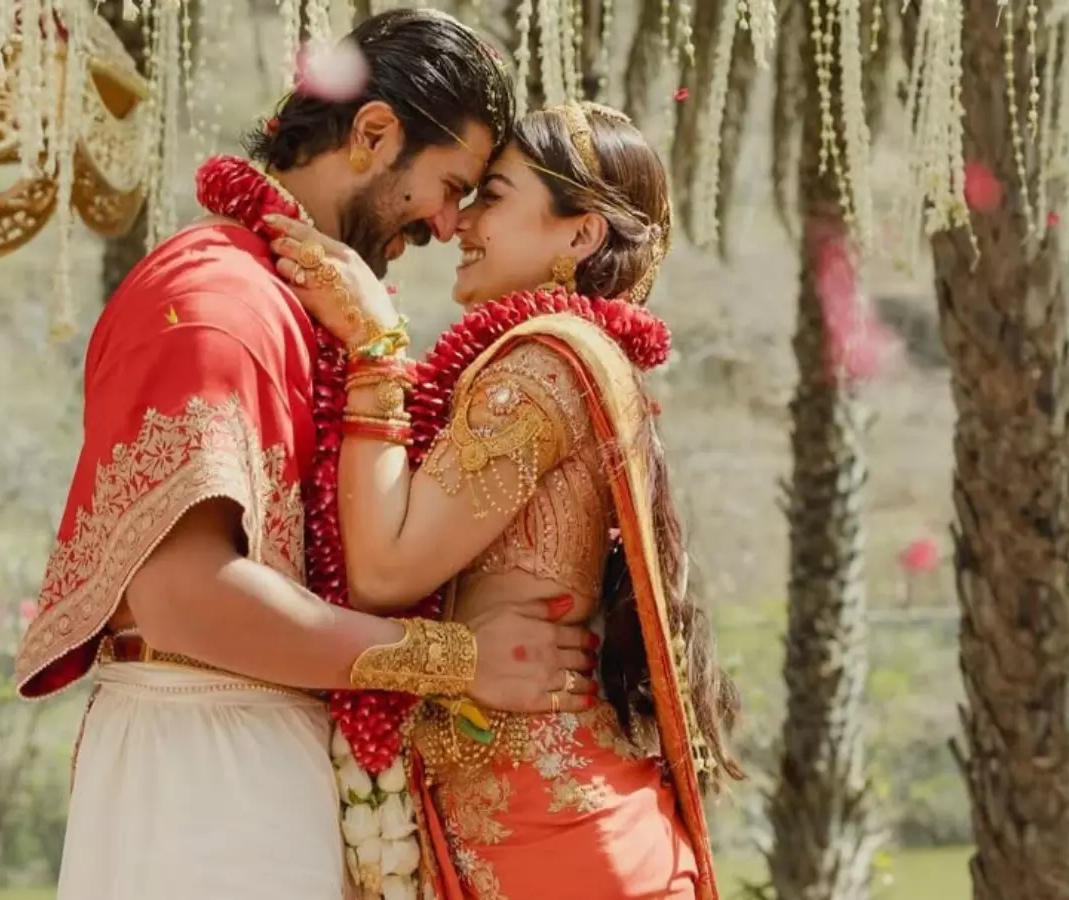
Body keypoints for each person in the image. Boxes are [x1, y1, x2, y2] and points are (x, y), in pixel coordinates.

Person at [12, 11, 599, 900]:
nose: (450, 225)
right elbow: (183, 597)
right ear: (373, 134)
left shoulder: (304, 305)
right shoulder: (215, 298)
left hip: (255, 753)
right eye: (450, 185)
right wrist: (457, 661)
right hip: (206, 772)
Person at [265, 103, 745, 900]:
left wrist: (376, 352)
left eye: (492, 197)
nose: (459, 223)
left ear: (579, 235)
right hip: (560, 816)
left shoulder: (535, 372)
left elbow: (384, 572)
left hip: (546, 833)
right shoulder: (570, 358)